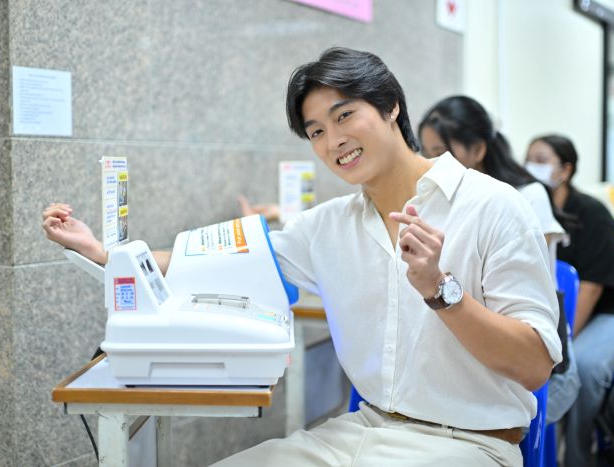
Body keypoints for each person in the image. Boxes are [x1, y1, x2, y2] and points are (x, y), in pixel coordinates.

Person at [43, 48, 560, 466]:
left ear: (391, 107)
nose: (334, 141)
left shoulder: (493, 206)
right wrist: (106, 252)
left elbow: (535, 365)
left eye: (345, 115)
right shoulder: (326, 226)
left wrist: (441, 292)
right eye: (316, 132)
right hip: (361, 431)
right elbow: (203, 260)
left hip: (468, 444)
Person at [417, 96, 577, 425]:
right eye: (425, 152)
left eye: (440, 153)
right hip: (461, 346)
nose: (431, 163)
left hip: (520, 357)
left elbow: (531, 302)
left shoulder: (523, 196)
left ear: (478, 150)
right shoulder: (436, 200)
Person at [525, 134, 614, 467]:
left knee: (584, 366)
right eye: (529, 158)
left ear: (565, 170)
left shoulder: (592, 213)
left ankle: (576, 459)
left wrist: (562, 344)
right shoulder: (531, 207)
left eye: (541, 160)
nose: (531, 166)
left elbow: (589, 289)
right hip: (565, 312)